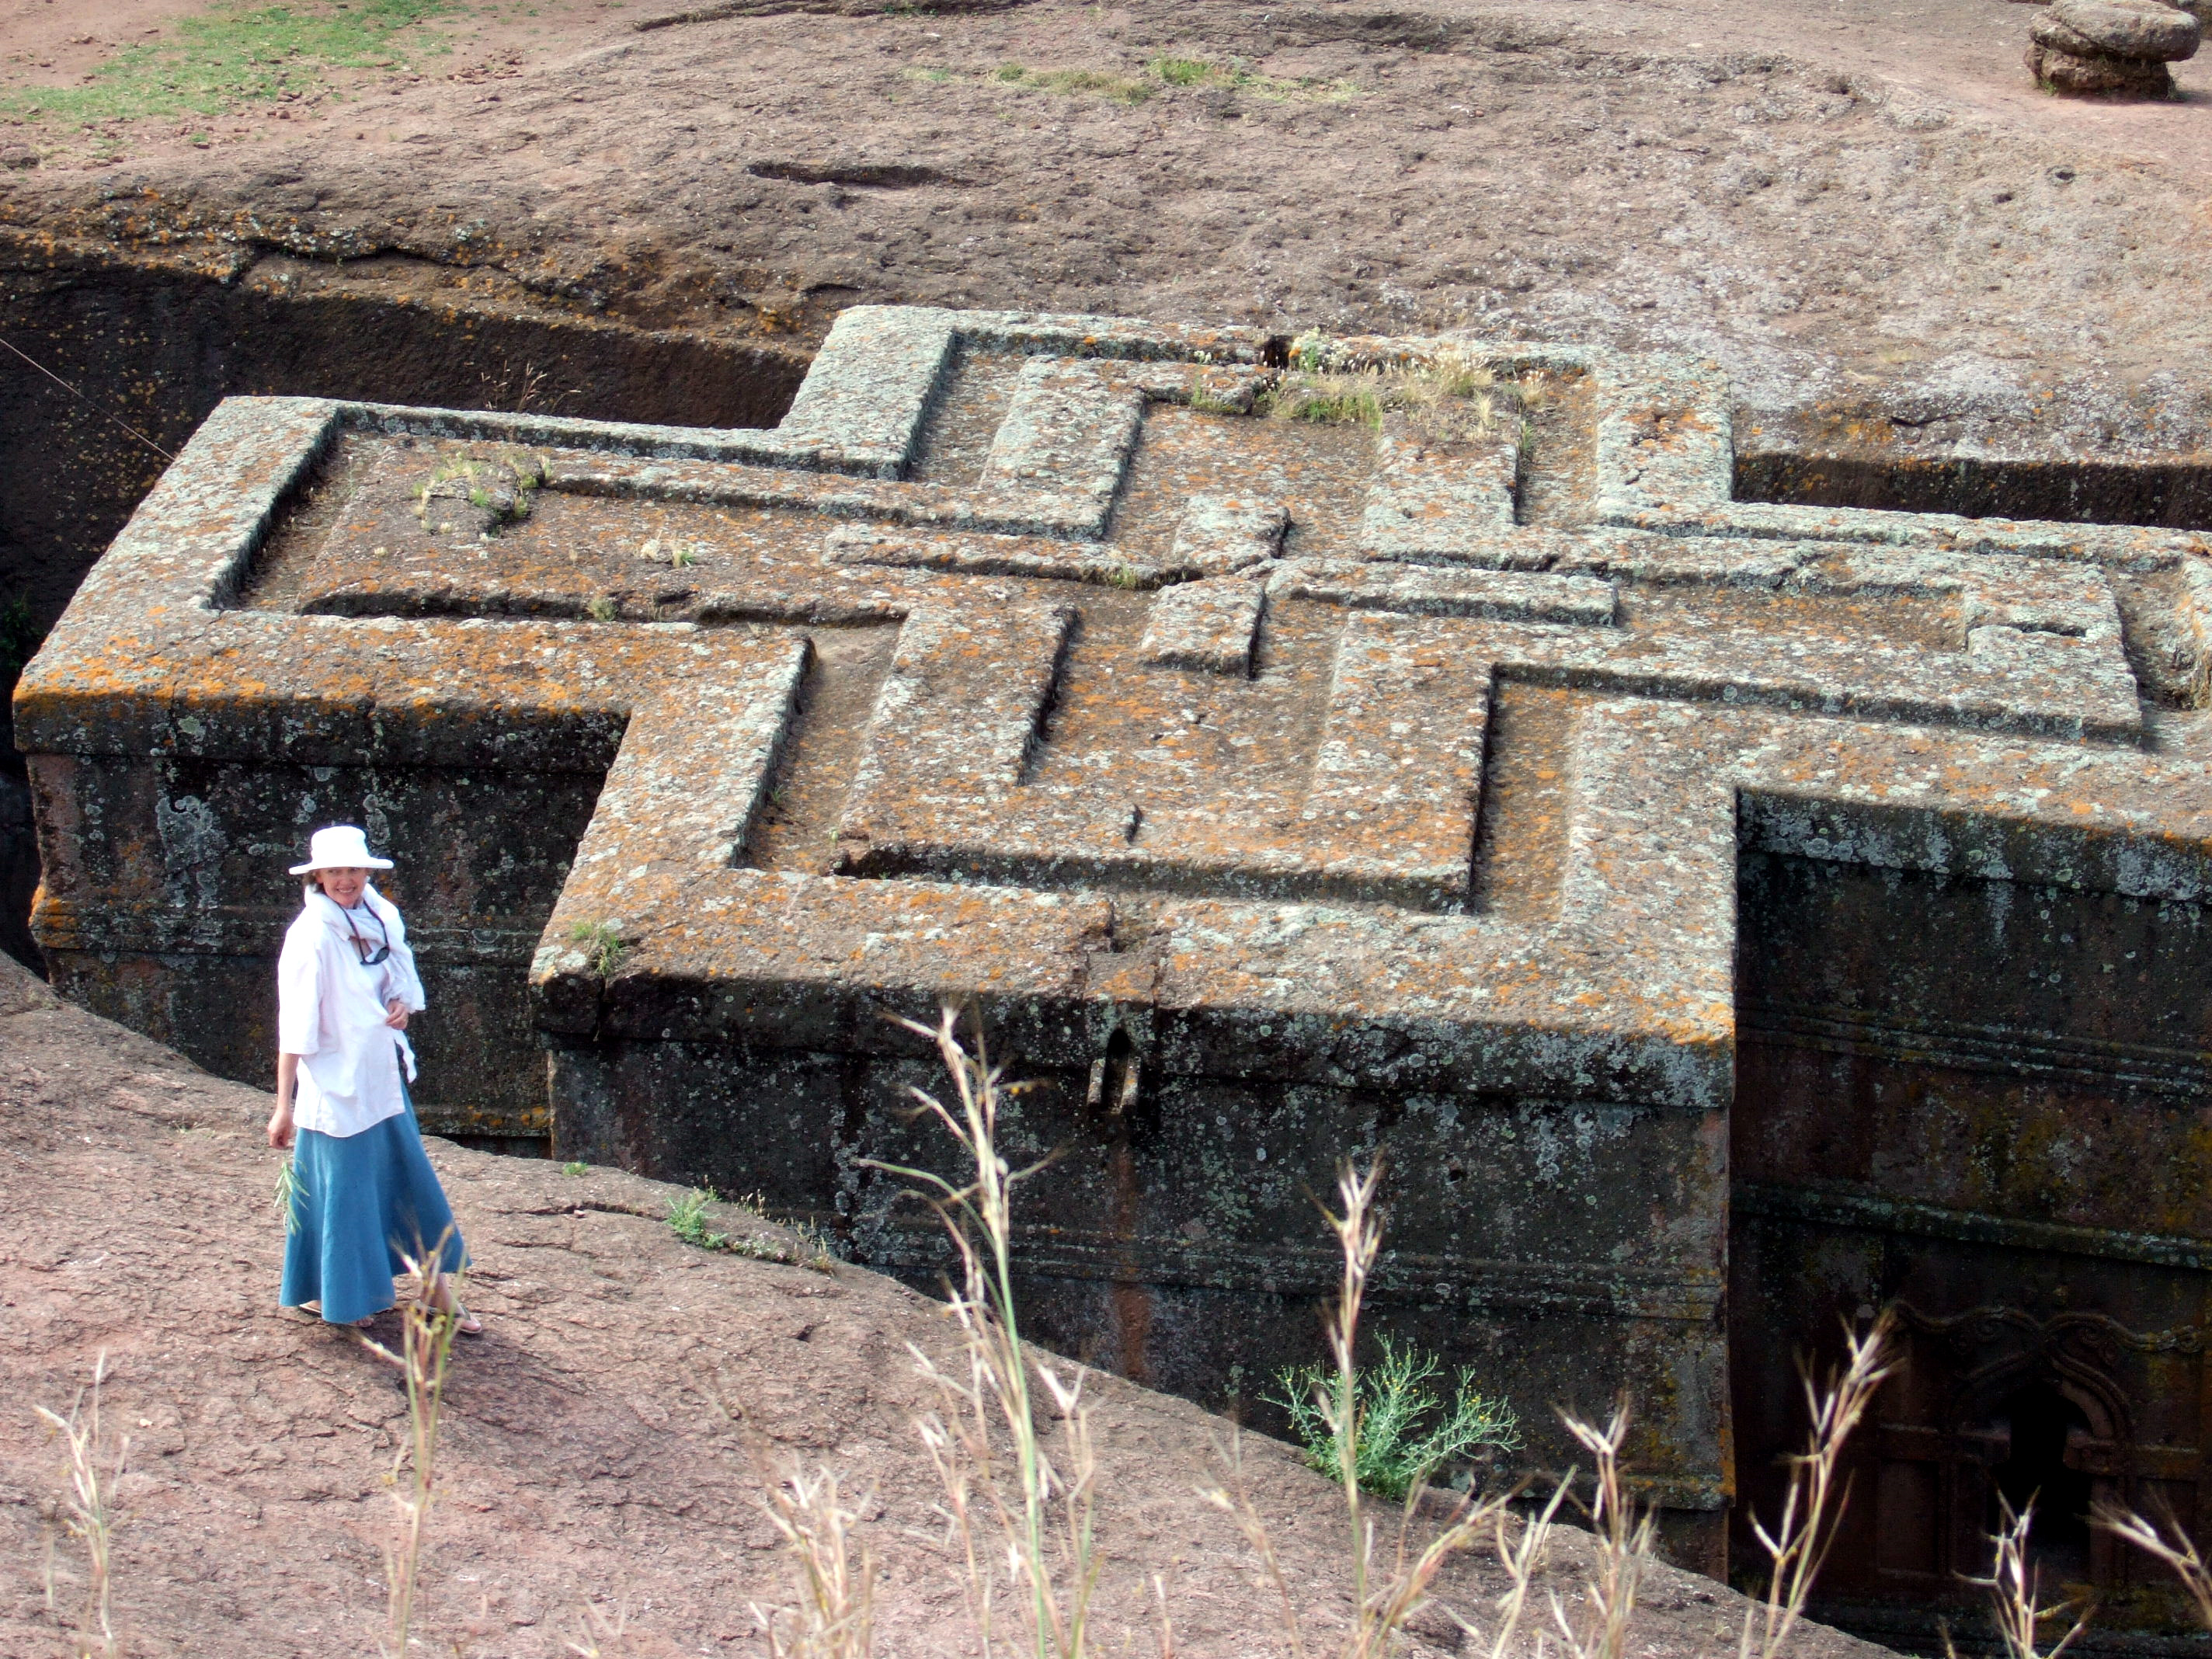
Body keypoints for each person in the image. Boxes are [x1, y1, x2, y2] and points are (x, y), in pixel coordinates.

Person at [266, 825, 479, 1334]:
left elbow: (397, 978)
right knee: (346, 1195)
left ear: (367, 871)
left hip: (380, 1078)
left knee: (407, 1181)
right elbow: (294, 1026)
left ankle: (436, 1294)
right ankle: (337, 1295)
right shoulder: (310, 935)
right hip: (335, 1088)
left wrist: (401, 1005)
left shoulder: (380, 915)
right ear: (318, 875)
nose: (346, 880)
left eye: (354, 870)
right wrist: (283, 1105)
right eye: (335, 871)